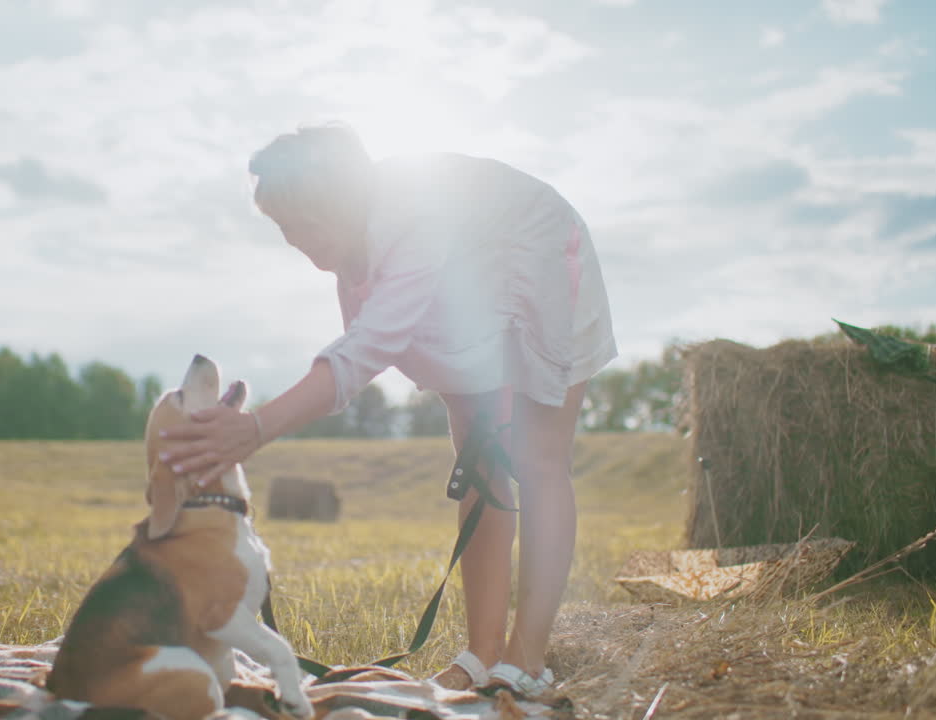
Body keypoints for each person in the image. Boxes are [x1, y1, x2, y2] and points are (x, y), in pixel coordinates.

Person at [158, 124, 616, 696]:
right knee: (478, 460)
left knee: (539, 459)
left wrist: (255, 429)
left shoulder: (412, 214)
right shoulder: (353, 250)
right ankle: (482, 652)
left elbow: (366, 349)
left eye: (300, 221)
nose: (292, 239)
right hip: (466, 287)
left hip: (537, 256)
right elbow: (367, 347)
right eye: (281, 226)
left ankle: (527, 658)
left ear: (340, 200)